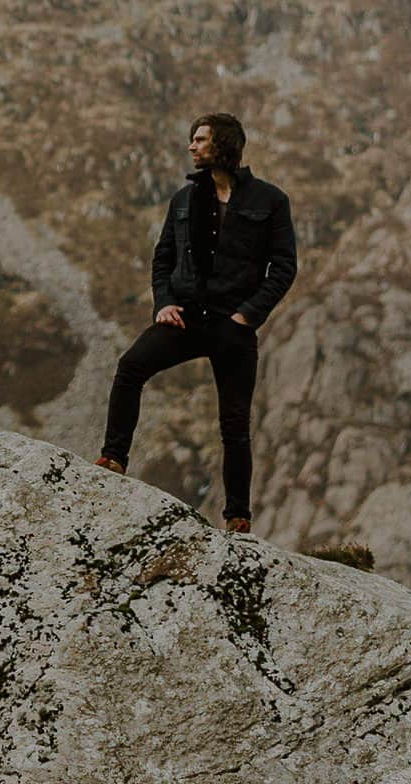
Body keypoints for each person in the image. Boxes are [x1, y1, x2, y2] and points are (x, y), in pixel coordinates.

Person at [94, 113, 298, 534]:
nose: (192, 146)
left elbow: (284, 267)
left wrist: (248, 315)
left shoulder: (270, 200)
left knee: (234, 424)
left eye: (200, 139)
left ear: (222, 144)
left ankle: (237, 518)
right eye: (192, 139)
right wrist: (163, 303)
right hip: (186, 316)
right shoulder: (184, 200)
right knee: (131, 367)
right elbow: (162, 257)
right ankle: (113, 458)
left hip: (233, 326)